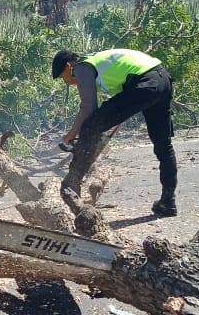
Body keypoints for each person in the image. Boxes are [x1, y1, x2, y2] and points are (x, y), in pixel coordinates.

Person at [53, 48, 178, 217]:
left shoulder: (82, 67)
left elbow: (88, 107)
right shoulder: (101, 64)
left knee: (91, 125)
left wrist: (72, 133)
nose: (65, 81)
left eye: (62, 77)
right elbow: (123, 100)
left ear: (69, 66)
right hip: (162, 81)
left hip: (145, 84)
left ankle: (72, 183)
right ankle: (168, 202)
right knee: (163, 145)